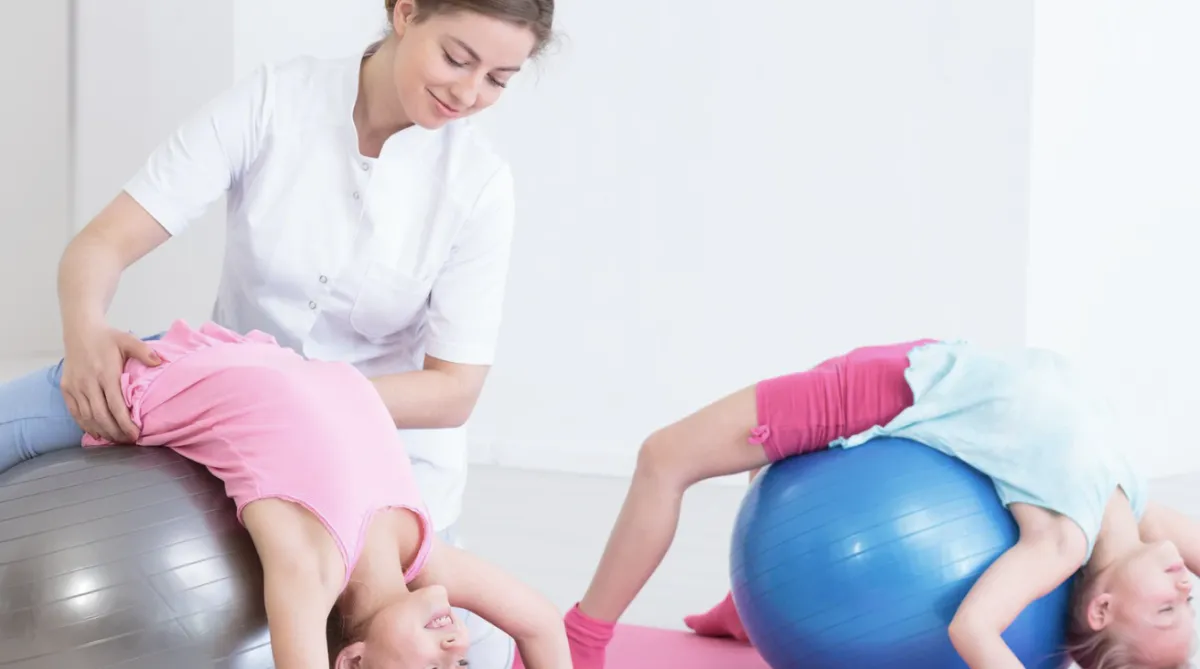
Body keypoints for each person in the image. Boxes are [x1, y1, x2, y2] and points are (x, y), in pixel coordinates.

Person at [0, 1, 552, 666]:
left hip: (387, 454)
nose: (469, 92)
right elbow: (99, 246)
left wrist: (315, 397)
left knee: (453, 654)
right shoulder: (275, 101)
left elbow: (452, 392)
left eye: (498, 79)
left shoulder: (480, 183)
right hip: (210, 395)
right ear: (404, 12)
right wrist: (86, 328)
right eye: (458, 59)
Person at [544, 338, 1199, 669]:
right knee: (770, 474)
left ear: (1102, 605)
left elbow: (973, 627)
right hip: (928, 361)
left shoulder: (1061, 541)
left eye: (1166, 607)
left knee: (664, 458)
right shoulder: (1137, 510)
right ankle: (741, 607)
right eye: (1187, 600)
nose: (1182, 584)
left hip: (884, 391)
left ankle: (581, 639)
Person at [79, 319, 570, 669]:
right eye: (463, 666)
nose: (455, 644)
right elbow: (542, 624)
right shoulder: (422, 553)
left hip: (121, 385)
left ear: (354, 662)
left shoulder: (312, 572)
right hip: (228, 347)